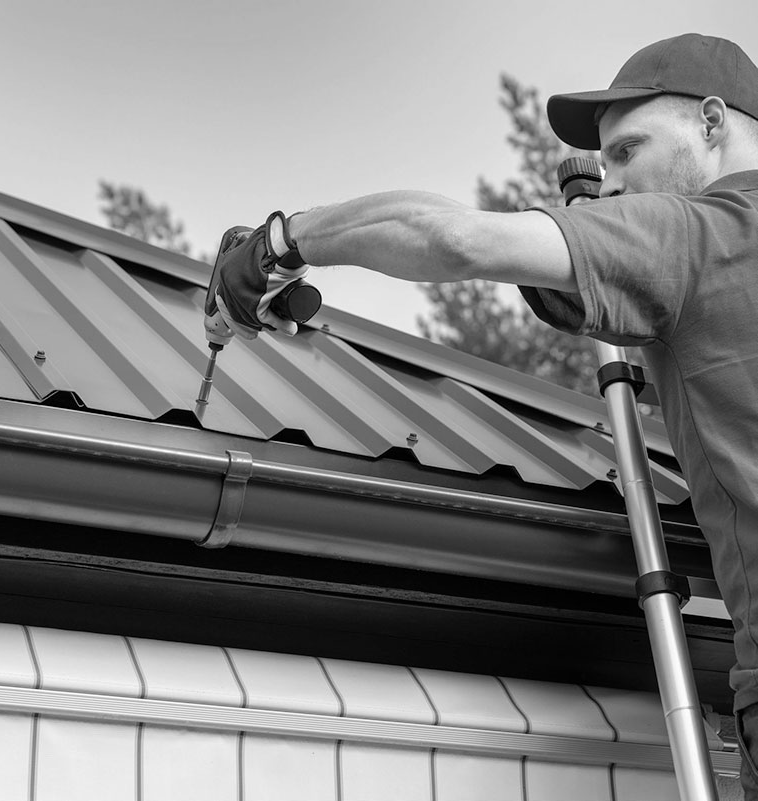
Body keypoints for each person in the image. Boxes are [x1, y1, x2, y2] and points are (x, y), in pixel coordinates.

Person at [206, 33, 758, 797]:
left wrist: (280, 242)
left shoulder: (698, 232)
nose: (615, 185)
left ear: (709, 121)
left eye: (628, 153)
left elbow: (452, 240)